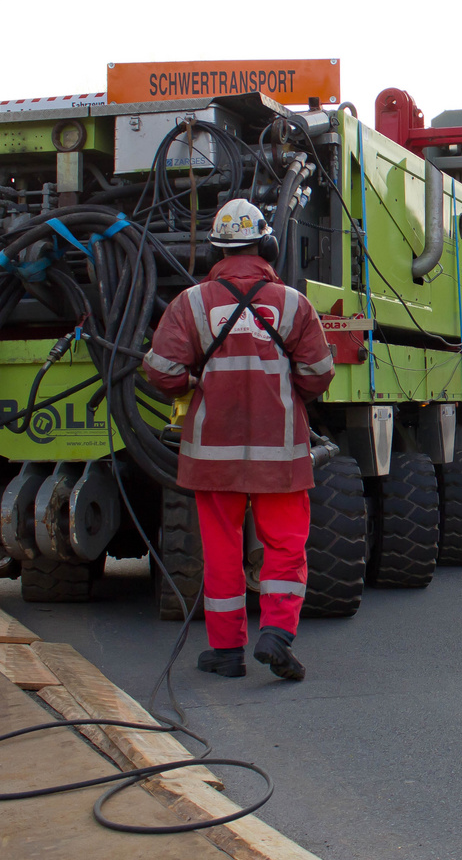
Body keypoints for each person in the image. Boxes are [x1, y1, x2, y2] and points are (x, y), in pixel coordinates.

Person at [144, 198, 335, 681]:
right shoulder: (293, 303)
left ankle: (226, 651)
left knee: (222, 548)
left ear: (215, 252)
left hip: (213, 454)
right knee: (286, 545)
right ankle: (276, 634)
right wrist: (287, 391)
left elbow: (161, 370)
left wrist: (193, 384)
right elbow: (318, 372)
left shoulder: (190, 304)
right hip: (281, 452)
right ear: (267, 245)